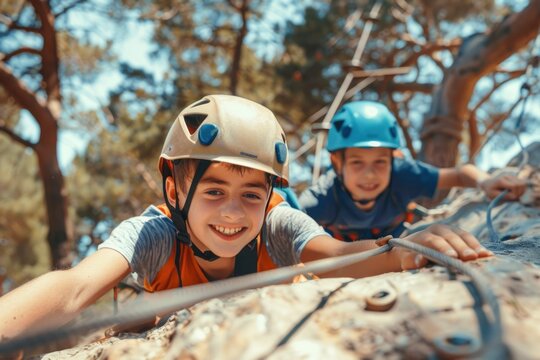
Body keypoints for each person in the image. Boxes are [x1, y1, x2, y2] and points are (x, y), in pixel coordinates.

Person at [0, 95, 492, 341]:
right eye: (214, 190)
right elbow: (73, 289)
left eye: (252, 194)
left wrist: (404, 248)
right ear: (174, 189)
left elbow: (339, 257)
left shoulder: (278, 224)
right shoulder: (153, 233)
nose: (234, 213)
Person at [299, 100, 527, 242]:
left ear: (394, 158)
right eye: (357, 163)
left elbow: (459, 174)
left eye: (380, 162)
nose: (369, 175)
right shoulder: (324, 196)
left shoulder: (403, 175)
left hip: (398, 239)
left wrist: (485, 181)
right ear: (337, 163)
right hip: (344, 251)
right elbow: (286, 223)